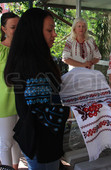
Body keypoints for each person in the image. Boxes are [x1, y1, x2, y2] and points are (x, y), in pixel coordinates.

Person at [4, 8, 69, 170]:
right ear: (34, 32)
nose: (54, 34)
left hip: (39, 138)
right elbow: (43, 112)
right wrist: (78, 111)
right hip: (41, 140)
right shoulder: (31, 64)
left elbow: (47, 98)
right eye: (49, 30)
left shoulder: (37, 58)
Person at [0, 12, 20, 170]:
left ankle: (15, 167)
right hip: (4, 103)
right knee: (5, 142)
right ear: (3, 29)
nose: (17, 30)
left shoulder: (24, 49)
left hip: (22, 101)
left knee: (17, 140)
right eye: (13, 27)